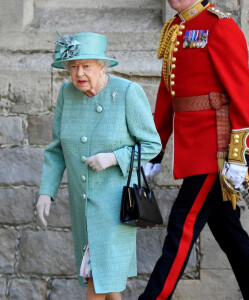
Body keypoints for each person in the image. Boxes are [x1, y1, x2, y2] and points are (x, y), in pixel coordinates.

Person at [140, 0, 249, 299]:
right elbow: (168, 97)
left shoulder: (220, 25)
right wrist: (155, 149)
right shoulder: (175, 27)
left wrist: (239, 157)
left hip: (216, 153)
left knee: (181, 225)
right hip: (194, 152)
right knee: (232, 236)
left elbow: (243, 95)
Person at [36, 32, 162, 300]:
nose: (79, 73)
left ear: (102, 66)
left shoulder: (127, 92)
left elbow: (152, 144)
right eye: (73, 66)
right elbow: (57, 149)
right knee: (107, 282)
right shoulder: (66, 94)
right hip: (82, 205)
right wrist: (46, 191)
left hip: (115, 204)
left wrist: (114, 157)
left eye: (86, 66)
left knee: (95, 276)